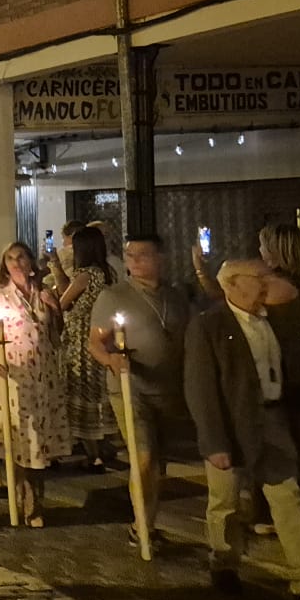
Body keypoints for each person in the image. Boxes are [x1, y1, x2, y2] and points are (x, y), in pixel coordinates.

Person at [184, 258, 300, 600]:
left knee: (286, 496)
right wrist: (214, 440)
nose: (265, 284)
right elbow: (200, 387)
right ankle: (225, 564)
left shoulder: (273, 319)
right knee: (226, 502)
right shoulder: (209, 326)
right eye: (258, 278)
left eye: (266, 277)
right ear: (232, 284)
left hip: (272, 420)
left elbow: (291, 298)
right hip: (232, 423)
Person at [90, 232, 193, 544]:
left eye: (142, 255)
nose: (134, 261)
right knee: (143, 456)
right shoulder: (114, 296)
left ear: (160, 258)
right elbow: (96, 342)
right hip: (130, 388)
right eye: (130, 255)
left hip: (168, 390)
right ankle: (141, 525)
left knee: (156, 464)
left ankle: (147, 521)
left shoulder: (175, 297)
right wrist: (111, 359)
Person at [0, 241, 66, 526]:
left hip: (43, 376)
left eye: (21, 257)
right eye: (10, 258)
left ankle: (36, 496)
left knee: (39, 442)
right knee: (19, 436)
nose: (16, 263)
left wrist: (55, 311)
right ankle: (22, 494)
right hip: (15, 374)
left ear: (31, 262)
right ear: (5, 264)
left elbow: (55, 338)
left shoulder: (43, 294)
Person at [56, 224, 119, 469]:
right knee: (99, 392)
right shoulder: (108, 272)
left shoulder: (85, 275)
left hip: (81, 341)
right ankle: (104, 444)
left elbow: (62, 302)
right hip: (102, 335)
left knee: (82, 393)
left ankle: (93, 452)